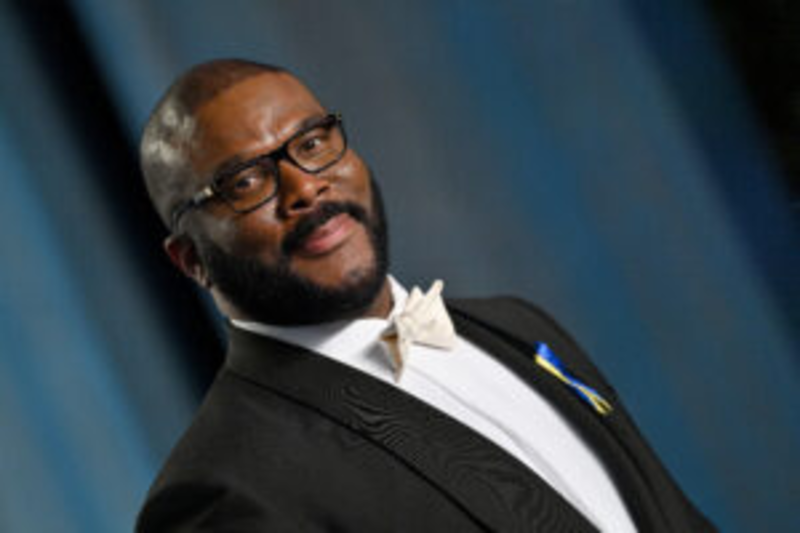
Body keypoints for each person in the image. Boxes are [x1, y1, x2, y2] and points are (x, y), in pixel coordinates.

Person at [135, 58, 715, 532]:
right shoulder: (224, 492)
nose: (305, 187)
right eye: (246, 182)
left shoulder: (519, 326)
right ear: (191, 260)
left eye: (311, 142)